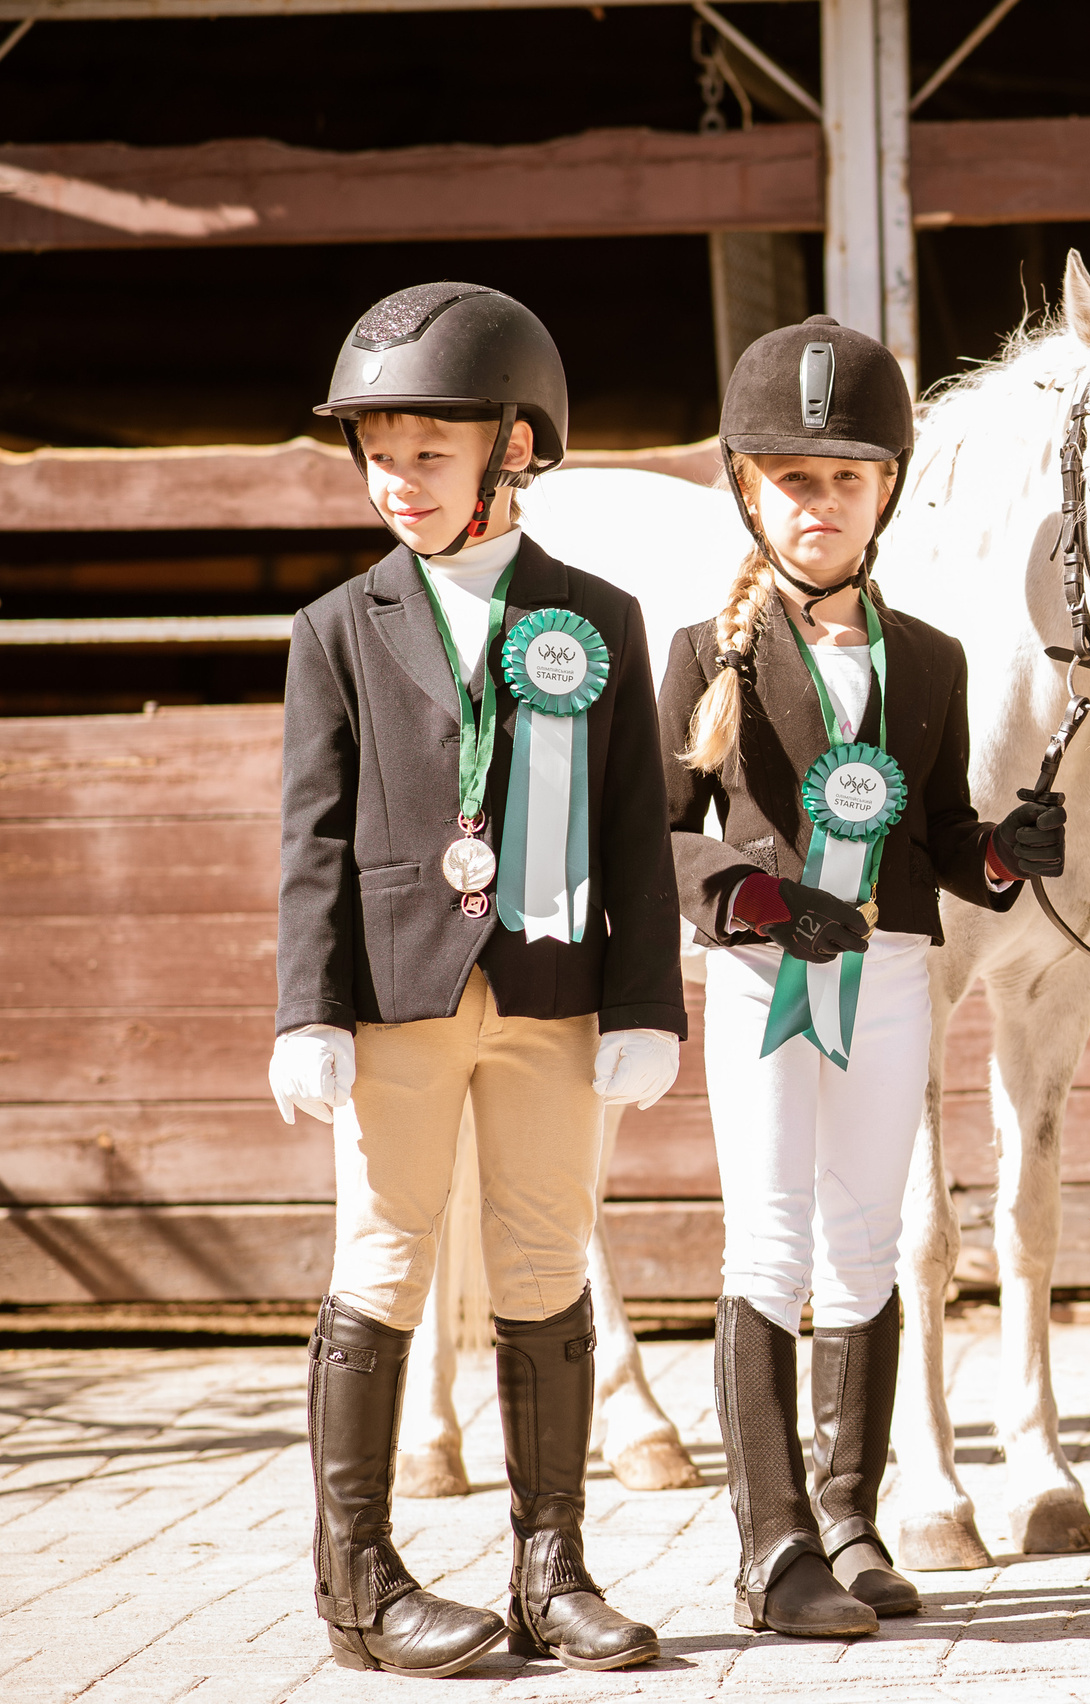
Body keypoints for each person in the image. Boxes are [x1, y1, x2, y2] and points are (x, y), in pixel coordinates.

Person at [272, 282, 685, 1678]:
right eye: (377, 454)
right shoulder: (336, 627)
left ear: (516, 447)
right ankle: (359, 1581)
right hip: (395, 996)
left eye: (427, 453)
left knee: (540, 1256)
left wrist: (644, 1001)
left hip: (553, 991)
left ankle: (550, 1569)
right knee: (382, 1261)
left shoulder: (602, 619)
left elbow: (635, 824)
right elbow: (310, 837)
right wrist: (303, 1007)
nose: (396, 481)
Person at [660, 316, 1069, 1641]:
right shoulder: (705, 654)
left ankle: (850, 1516)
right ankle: (768, 1547)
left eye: (842, 478)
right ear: (745, 485)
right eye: (791, 478)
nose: (817, 502)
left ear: (884, 489)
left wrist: (1011, 862)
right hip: (766, 974)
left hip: (891, 970)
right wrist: (752, 898)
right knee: (770, 1239)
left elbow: (943, 842)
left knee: (868, 1240)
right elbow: (656, 834)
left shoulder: (933, 661)